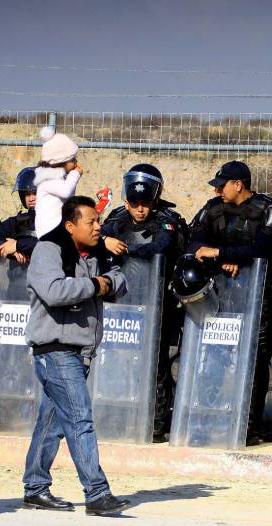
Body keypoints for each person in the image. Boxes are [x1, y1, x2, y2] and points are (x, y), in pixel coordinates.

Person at [22, 196, 132, 516]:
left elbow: (119, 280)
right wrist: (96, 285)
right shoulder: (48, 250)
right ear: (70, 226)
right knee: (80, 419)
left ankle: (35, 486)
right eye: (92, 222)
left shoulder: (95, 252)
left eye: (99, 221)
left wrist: (104, 282)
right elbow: (55, 291)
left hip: (78, 350)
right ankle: (96, 493)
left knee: (51, 423)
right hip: (56, 349)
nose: (99, 227)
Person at [188, 160, 272, 445]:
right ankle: (205, 423)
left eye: (222, 185)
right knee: (214, 359)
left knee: (255, 360)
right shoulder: (212, 208)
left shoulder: (269, 210)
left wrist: (220, 253)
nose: (218, 190)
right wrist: (225, 259)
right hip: (222, 294)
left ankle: (250, 427)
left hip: (260, 296)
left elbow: (262, 250)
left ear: (239, 185)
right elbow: (193, 243)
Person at [101, 163, 189, 441]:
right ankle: (117, 415)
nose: (140, 209)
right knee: (116, 360)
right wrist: (104, 240)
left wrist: (123, 247)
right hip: (121, 302)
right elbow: (91, 238)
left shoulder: (167, 219)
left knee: (156, 365)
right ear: (127, 202)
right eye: (135, 203)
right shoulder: (116, 219)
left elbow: (160, 247)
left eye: (145, 203)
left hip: (156, 302)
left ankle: (155, 422)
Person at [0, 167, 39, 263]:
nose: (31, 198)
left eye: (35, 193)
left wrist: (17, 245)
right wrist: (6, 246)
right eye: (27, 194)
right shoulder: (17, 222)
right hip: (18, 276)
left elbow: (53, 244)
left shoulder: (55, 220)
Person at [34, 127, 82, 239]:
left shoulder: (57, 177)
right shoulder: (47, 177)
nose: (76, 163)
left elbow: (69, 196)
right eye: (73, 159)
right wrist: (75, 174)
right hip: (49, 232)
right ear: (62, 161)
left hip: (57, 229)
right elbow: (66, 192)